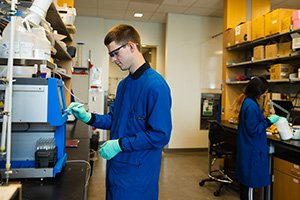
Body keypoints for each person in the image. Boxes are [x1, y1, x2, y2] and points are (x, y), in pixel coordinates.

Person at [67, 24, 172, 200]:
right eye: (111, 55)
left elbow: (160, 135)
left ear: (131, 46)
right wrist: (89, 117)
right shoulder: (124, 85)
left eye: (115, 53)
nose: (113, 59)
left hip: (138, 174)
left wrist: (120, 144)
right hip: (116, 168)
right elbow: (115, 120)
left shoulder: (156, 86)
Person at [231, 76, 280, 200]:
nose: (266, 95)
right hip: (251, 150)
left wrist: (265, 118)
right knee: (249, 188)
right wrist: (269, 120)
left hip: (247, 148)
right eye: (265, 92)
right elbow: (254, 129)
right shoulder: (252, 106)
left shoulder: (248, 102)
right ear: (259, 91)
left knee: (245, 187)